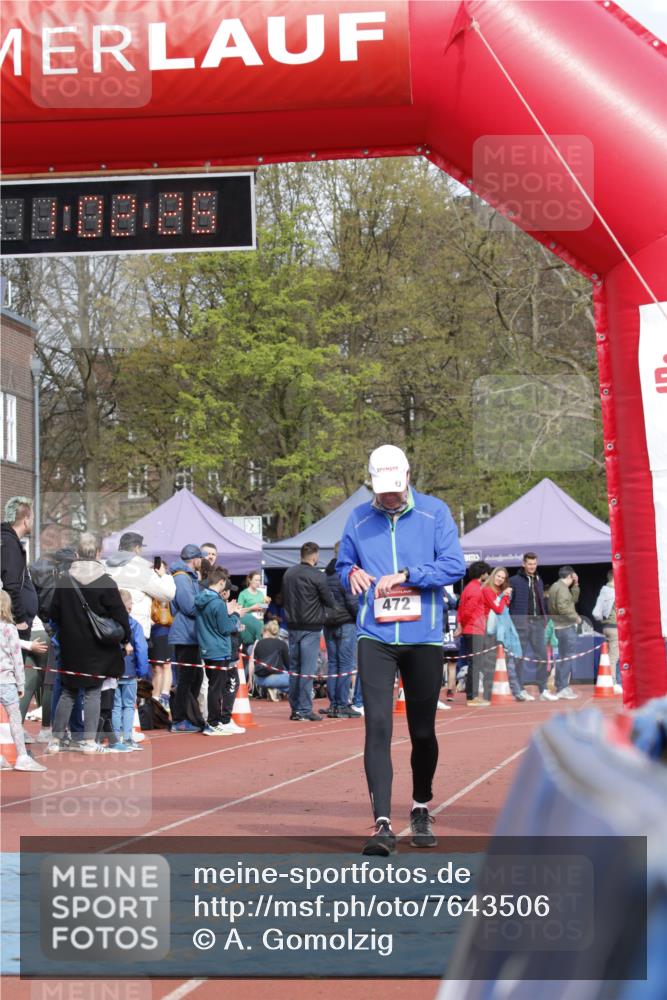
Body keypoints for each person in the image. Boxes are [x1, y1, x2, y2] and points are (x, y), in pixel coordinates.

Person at [337, 444, 466, 856]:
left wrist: (408, 574)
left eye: (395, 488)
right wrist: (351, 574)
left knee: (422, 731)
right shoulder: (357, 519)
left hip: (423, 636)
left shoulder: (435, 512)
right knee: (377, 726)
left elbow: (454, 565)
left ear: (408, 477)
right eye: (382, 489)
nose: (389, 496)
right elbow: (342, 566)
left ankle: (421, 806)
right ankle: (381, 824)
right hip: (375, 636)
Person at [48, 533, 131, 754]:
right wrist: (126, 639)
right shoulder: (106, 581)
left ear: (77, 554)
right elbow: (120, 615)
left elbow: (52, 612)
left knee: (68, 691)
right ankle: (89, 742)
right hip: (98, 646)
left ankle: (55, 740)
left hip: (71, 645)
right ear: (97, 553)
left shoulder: (65, 580)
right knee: (93, 691)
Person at [282, 541, 337, 722]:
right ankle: (304, 709)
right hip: (310, 627)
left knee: (295, 669)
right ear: (315, 556)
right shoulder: (317, 575)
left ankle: (296, 708)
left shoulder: (289, 573)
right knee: (307, 670)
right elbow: (329, 600)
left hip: (292, 625)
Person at [194, 567, 245, 736]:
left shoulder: (201, 599)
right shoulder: (217, 602)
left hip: (207, 648)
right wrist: (236, 614)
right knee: (217, 688)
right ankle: (213, 722)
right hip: (218, 649)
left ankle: (214, 721)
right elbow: (226, 628)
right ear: (221, 582)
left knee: (213, 686)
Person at [0, 590, 47, 771]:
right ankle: (22, 756)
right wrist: (20, 683)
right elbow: (16, 658)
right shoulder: (9, 629)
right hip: (6, 680)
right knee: (14, 718)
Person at [105, 532, 176, 641]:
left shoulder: (104, 565)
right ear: (137, 548)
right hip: (135, 632)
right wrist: (163, 575)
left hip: (108, 630)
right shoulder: (144, 568)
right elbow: (168, 594)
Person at [509, 553, 558, 702]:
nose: (532, 566)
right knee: (519, 658)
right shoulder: (513, 581)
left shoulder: (539, 580)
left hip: (537, 624)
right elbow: (509, 603)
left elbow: (541, 601)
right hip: (521, 624)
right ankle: (519, 690)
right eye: (529, 564)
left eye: (534, 564)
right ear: (523, 564)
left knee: (543, 657)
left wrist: (545, 620)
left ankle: (543, 689)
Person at [168, 544, 205, 732]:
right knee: (186, 679)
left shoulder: (188, 577)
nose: (203, 561)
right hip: (185, 634)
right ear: (194, 559)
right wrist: (206, 602)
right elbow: (189, 606)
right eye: (201, 558)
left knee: (194, 677)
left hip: (189, 633)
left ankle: (187, 716)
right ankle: (179, 719)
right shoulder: (182, 578)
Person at [323, 541, 361, 718]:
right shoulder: (345, 573)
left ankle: (333, 704)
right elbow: (352, 601)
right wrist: (359, 618)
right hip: (346, 622)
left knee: (332, 664)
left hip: (329, 623)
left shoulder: (325, 574)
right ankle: (342, 703)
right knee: (345, 665)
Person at [483, 567, 532, 702]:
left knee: (507, 663)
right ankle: (510, 692)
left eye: (503, 578)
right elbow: (498, 609)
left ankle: (516, 691)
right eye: (498, 576)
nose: (500, 579)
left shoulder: (499, 591)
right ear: (493, 575)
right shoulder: (487, 590)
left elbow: (505, 607)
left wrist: (505, 596)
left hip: (504, 631)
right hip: (493, 632)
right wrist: (504, 596)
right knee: (493, 664)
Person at [112, 590, 151, 751]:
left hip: (112, 670)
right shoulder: (135, 625)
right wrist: (142, 671)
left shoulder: (109, 623)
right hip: (130, 671)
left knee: (115, 705)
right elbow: (142, 649)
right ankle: (127, 738)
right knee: (128, 705)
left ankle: (115, 737)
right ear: (129, 607)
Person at [1, 497, 38, 639]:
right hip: (16, 623)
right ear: (26, 519)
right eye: (32, 518)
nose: (33, 523)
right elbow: (10, 584)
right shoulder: (9, 544)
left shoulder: (9, 541)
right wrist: (21, 619)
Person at [456, 561, 491, 702]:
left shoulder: (468, 588)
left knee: (474, 663)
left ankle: (472, 694)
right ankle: (473, 695)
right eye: (487, 573)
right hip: (474, 628)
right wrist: (463, 624)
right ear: (482, 574)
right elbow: (467, 611)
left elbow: (461, 608)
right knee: (475, 664)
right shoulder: (476, 589)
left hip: (471, 628)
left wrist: (461, 625)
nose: (488, 575)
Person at [548, 566, 581, 700]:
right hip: (566, 626)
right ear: (570, 576)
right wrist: (576, 618)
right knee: (567, 657)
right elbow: (563, 607)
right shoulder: (561, 588)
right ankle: (562, 687)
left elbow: (572, 600)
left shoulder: (556, 586)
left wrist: (576, 585)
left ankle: (560, 684)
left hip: (558, 626)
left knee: (562, 657)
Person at [149, 557, 174, 713]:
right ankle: (155, 698)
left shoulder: (169, 585)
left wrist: (164, 576)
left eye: (161, 568)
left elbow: (170, 597)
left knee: (166, 665)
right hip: (151, 629)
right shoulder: (149, 584)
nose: (158, 570)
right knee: (156, 667)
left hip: (165, 629)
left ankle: (164, 696)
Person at [592, 569, 622, 694]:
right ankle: (613, 682)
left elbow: (596, 612)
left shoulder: (603, 591)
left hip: (605, 626)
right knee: (614, 656)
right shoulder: (616, 591)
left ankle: (615, 681)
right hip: (615, 626)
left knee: (610, 654)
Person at [251, 620, 290, 701]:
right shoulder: (281, 644)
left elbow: (255, 662)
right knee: (296, 681)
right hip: (274, 678)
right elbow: (288, 665)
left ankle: (274, 689)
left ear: (266, 631)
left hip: (259, 679)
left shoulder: (259, 643)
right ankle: (277, 690)